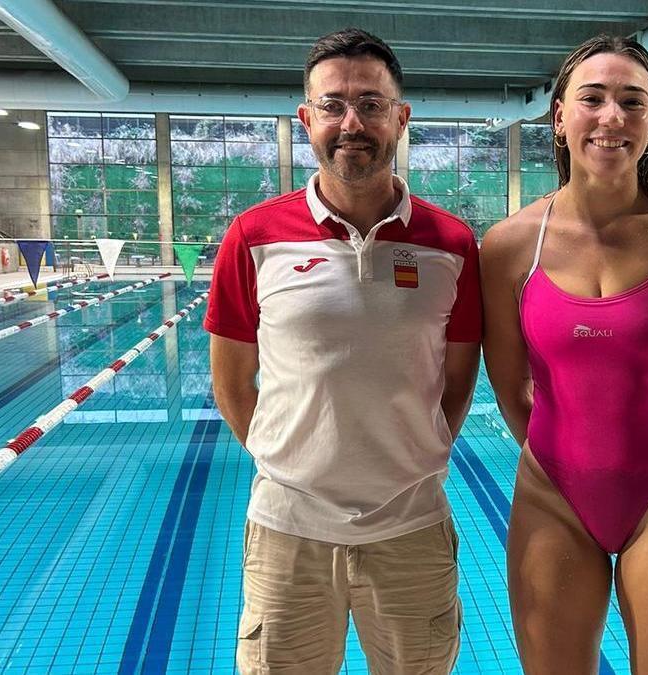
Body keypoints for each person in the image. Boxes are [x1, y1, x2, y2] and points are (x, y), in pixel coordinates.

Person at [205, 28, 481, 675]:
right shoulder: (253, 236)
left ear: (401, 117)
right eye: (332, 105)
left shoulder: (452, 242)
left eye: (370, 103)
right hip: (287, 531)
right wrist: (294, 459)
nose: (351, 121)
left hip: (411, 527)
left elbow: (460, 377)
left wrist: (412, 453)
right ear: (307, 119)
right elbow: (231, 383)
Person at [480, 35, 648, 674]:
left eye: (633, 102)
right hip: (552, 497)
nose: (613, 117)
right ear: (559, 117)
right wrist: (569, 457)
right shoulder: (508, 247)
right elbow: (509, 389)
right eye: (593, 99)